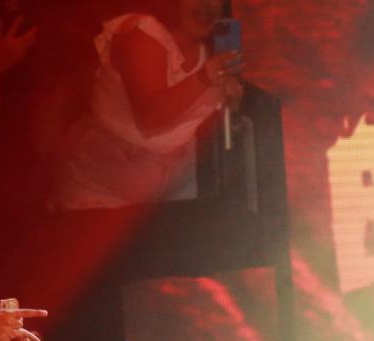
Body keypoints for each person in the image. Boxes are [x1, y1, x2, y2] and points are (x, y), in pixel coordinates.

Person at [51, 0, 242, 210]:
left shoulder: (212, 52)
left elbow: (208, 118)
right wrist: (204, 78)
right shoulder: (143, 32)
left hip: (176, 192)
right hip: (99, 195)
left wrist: (232, 97)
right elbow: (150, 118)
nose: (207, 5)